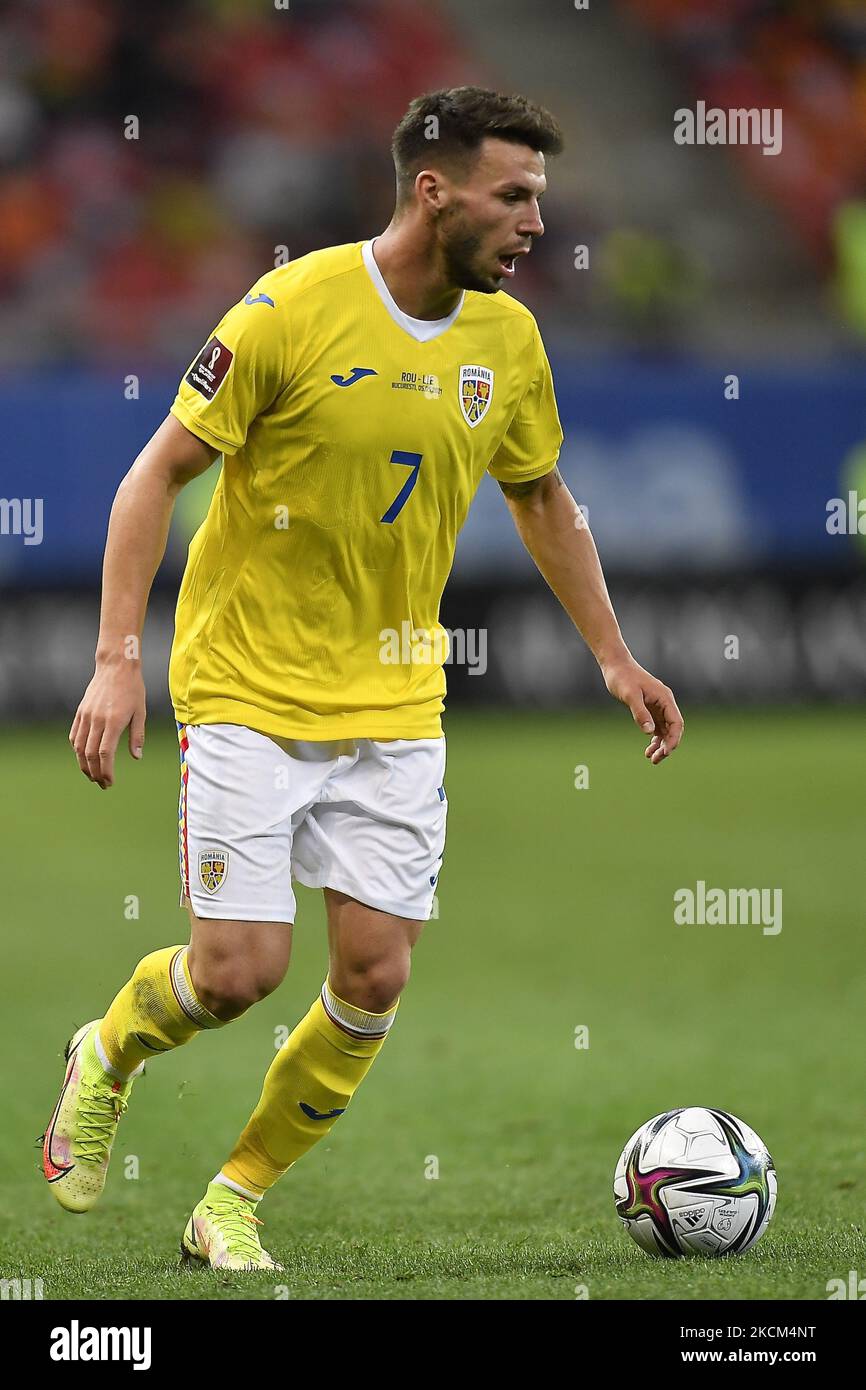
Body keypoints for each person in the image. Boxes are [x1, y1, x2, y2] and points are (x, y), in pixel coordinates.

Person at [43, 87, 683, 1271]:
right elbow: (153, 477)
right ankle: (107, 1054)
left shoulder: (508, 340)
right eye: (514, 195)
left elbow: (540, 495)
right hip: (245, 685)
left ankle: (231, 1199)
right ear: (433, 191)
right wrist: (115, 661)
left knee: (374, 975)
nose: (536, 220)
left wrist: (612, 652)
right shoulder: (291, 308)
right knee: (240, 973)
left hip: (394, 700)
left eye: (537, 196)